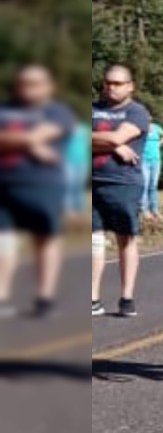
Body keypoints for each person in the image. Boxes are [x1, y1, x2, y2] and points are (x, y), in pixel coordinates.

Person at [0, 64, 76, 318]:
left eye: (35, 83)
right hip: (5, 184)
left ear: (48, 86)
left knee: (44, 240)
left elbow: (41, 136)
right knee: (4, 241)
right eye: (23, 83)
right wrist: (30, 143)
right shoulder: (6, 109)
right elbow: (33, 139)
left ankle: (44, 296)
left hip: (43, 185)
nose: (28, 88)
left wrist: (19, 141)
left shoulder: (57, 111)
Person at [91, 64, 150, 317]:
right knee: (93, 239)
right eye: (107, 82)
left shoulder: (137, 112)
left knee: (125, 238)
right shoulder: (92, 108)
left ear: (130, 86)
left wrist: (111, 142)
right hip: (91, 180)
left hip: (123, 183)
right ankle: (92, 298)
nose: (110, 87)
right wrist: (114, 146)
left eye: (117, 83)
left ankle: (127, 297)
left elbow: (118, 137)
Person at [140, 117, 163, 220]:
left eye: (149, 115)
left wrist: (159, 144)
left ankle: (155, 210)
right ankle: (144, 210)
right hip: (144, 160)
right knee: (145, 185)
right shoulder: (140, 127)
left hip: (156, 160)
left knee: (153, 186)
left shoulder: (156, 127)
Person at [64, 122, 90, 219]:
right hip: (67, 160)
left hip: (82, 160)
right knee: (68, 186)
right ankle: (69, 211)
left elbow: (87, 143)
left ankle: (80, 210)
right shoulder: (65, 127)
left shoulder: (84, 129)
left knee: (79, 186)